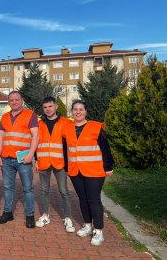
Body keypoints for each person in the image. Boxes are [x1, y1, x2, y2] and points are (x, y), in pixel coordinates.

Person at [62, 100, 114, 246]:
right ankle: (87, 225)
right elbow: (66, 149)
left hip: (94, 170)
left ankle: (98, 231)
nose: (78, 112)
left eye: (81, 109)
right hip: (75, 169)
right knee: (82, 198)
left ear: (86, 111)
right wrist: (67, 167)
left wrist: (108, 166)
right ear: (71, 111)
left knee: (93, 199)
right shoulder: (67, 128)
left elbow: (105, 148)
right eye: (75, 109)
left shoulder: (96, 127)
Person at [0, 91, 39, 228]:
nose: (14, 102)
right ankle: (8, 213)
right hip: (7, 159)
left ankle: (30, 215)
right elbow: (0, 137)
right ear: (9, 102)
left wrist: (30, 155)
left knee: (28, 188)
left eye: (17, 100)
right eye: (11, 100)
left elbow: (36, 137)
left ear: (22, 101)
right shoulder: (4, 117)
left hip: (23, 159)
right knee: (8, 187)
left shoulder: (30, 115)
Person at [34, 96, 75, 232]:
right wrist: (35, 160)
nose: (48, 109)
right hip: (43, 161)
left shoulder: (66, 122)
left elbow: (70, 143)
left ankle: (68, 219)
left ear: (56, 106)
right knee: (44, 190)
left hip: (60, 162)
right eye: (45, 107)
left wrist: (69, 164)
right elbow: (35, 142)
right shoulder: (39, 123)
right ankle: (45, 215)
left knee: (64, 191)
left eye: (50, 106)